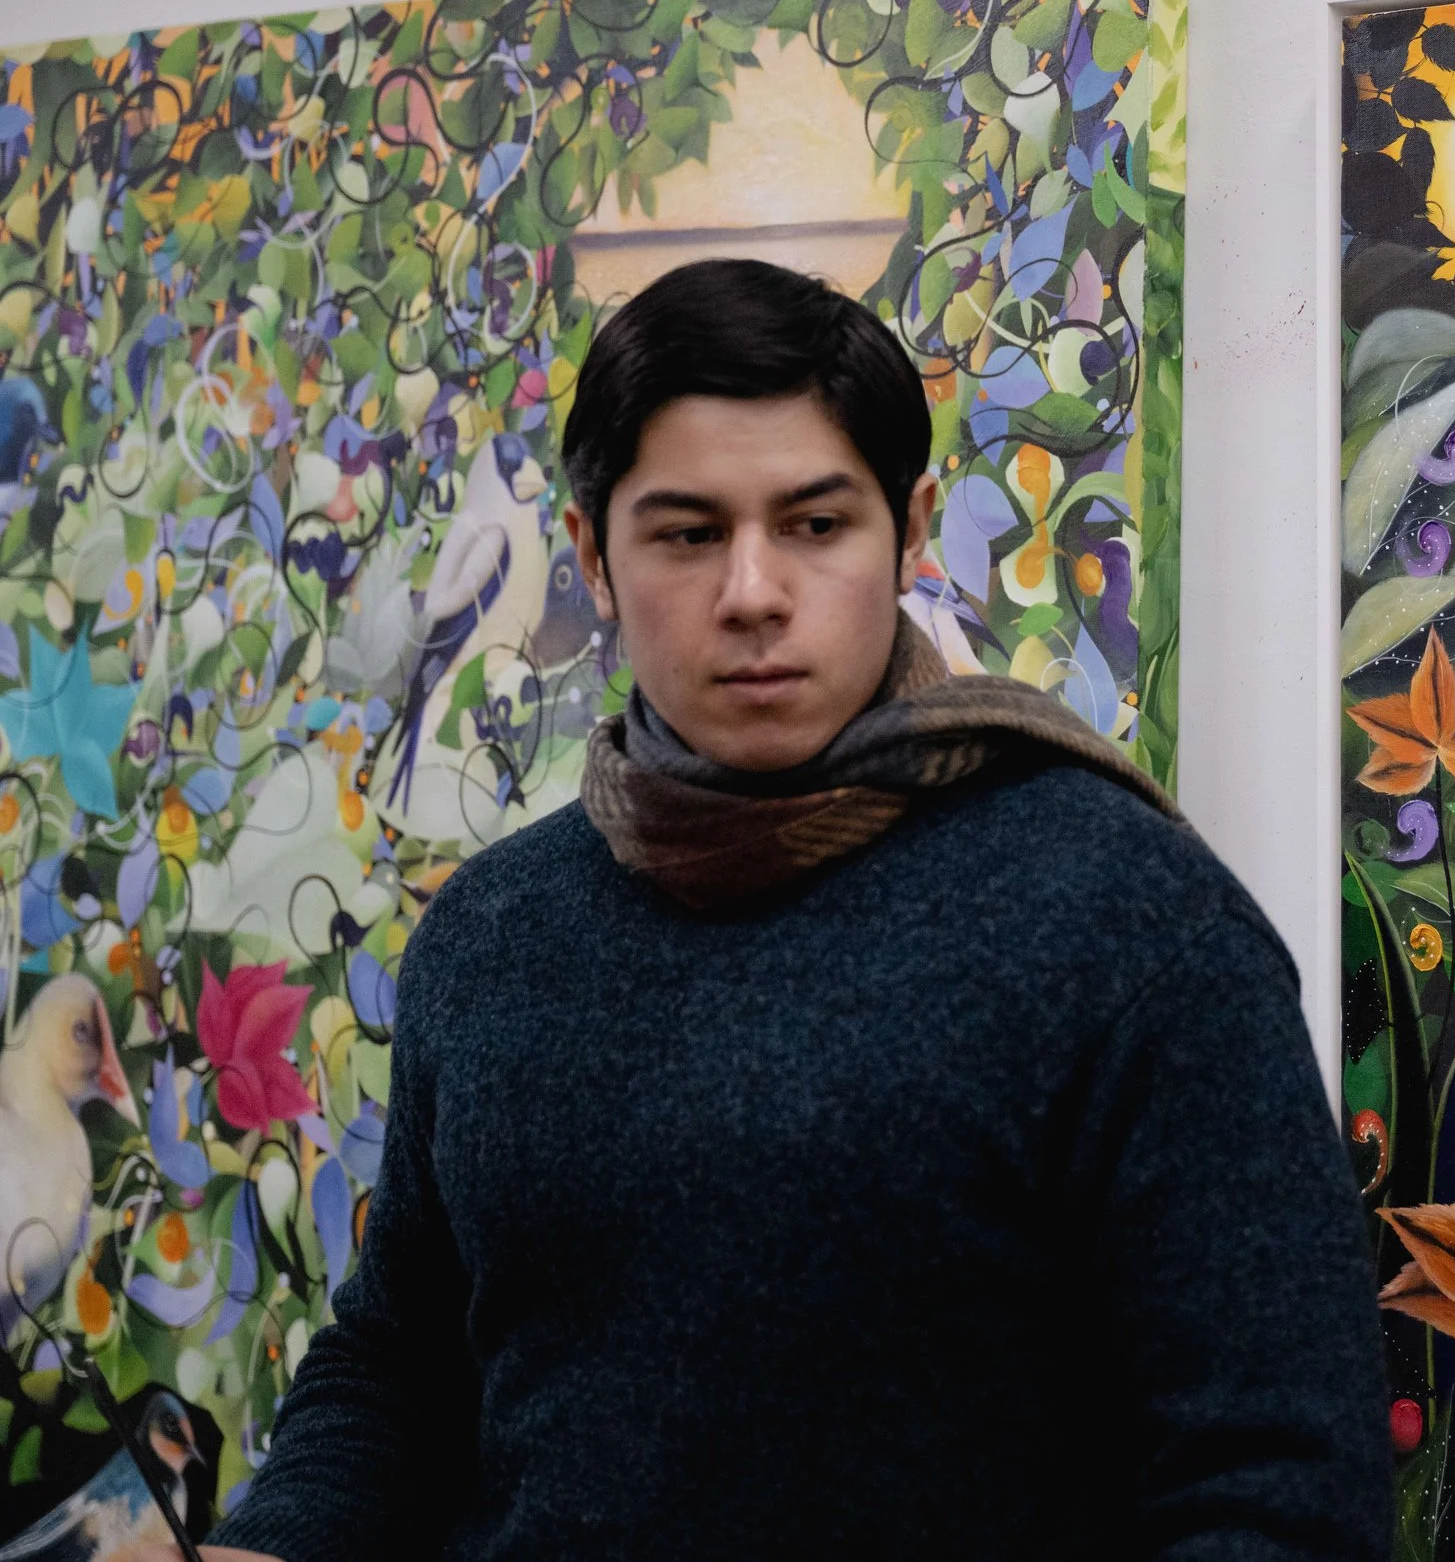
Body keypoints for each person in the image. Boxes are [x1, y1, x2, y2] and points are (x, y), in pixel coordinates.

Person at [182, 259, 1391, 1561]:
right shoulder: (491, 933)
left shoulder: (1127, 919)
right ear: (591, 553)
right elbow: (400, 1361)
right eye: (689, 532)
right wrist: (278, 1541)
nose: (753, 590)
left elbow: (1277, 1483)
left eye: (816, 524)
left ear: (912, 528)